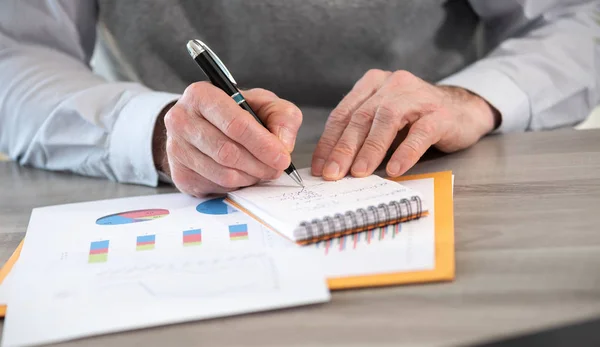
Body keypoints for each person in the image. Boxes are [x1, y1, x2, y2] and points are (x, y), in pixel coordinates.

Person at [0, 1, 598, 197]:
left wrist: (470, 97)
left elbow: (575, 17)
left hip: (429, 169)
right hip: (166, 186)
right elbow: (16, 52)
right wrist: (153, 131)